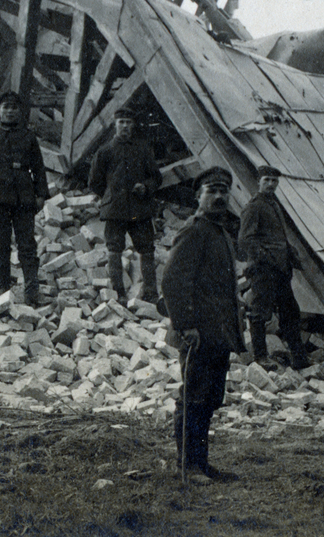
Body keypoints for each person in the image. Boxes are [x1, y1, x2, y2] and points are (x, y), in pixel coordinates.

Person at [161, 165, 246, 482]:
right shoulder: (195, 229)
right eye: (212, 190)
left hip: (217, 332)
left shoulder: (219, 231)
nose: (220, 196)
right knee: (193, 397)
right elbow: (172, 281)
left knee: (209, 399)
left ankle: (202, 463)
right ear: (199, 196)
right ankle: (188, 466)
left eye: (224, 191)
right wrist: (186, 326)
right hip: (197, 333)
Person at [0, 91, 51, 306]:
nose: (10, 111)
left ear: (20, 111)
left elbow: (39, 169)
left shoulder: (28, 137)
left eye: (14, 107)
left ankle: (32, 290)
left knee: (27, 245)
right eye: (6, 107)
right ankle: (3, 286)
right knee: (1, 245)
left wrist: (41, 194)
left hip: (24, 198)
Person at [86, 107, 164, 305]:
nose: (125, 126)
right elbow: (94, 182)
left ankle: (150, 292)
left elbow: (156, 177)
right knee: (114, 249)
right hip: (115, 210)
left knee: (146, 249)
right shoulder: (104, 151)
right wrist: (111, 194)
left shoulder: (143, 149)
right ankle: (118, 293)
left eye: (129, 122)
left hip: (140, 208)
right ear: (115, 124)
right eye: (121, 122)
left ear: (133, 125)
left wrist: (145, 187)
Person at [238, 166, 310, 371]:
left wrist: (288, 252)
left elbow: (277, 237)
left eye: (274, 181)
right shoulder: (254, 206)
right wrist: (266, 258)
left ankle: (299, 358)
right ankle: (260, 357)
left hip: (280, 269)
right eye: (267, 180)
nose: (271, 184)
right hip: (264, 269)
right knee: (260, 312)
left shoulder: (273, 205)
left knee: (290, 312)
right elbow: (245, 240)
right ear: (258, 181)